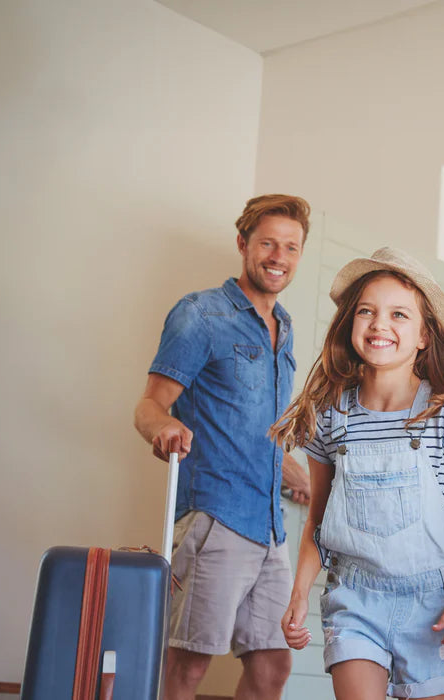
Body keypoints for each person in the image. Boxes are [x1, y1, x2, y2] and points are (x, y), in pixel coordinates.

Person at [271, 247, 444, 699]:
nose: (379, 324)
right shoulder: (331, 417)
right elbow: (319, 520)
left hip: (435, 601)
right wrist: (299, 591)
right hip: (354, 598)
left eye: (398, 314)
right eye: (366, 311)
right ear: (350, 323)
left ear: (424, 335)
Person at [133, 194, 315, 700]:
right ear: (243, 244)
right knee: (187, 664)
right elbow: (148, 406)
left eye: (291, 247)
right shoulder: (201, 314)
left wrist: (297, 475)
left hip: (270, 528)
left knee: (273, 665)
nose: (279, 257)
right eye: (268, 244)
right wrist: (164, 429)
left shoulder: (285, 328)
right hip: (216, 517)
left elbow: (255, 429)